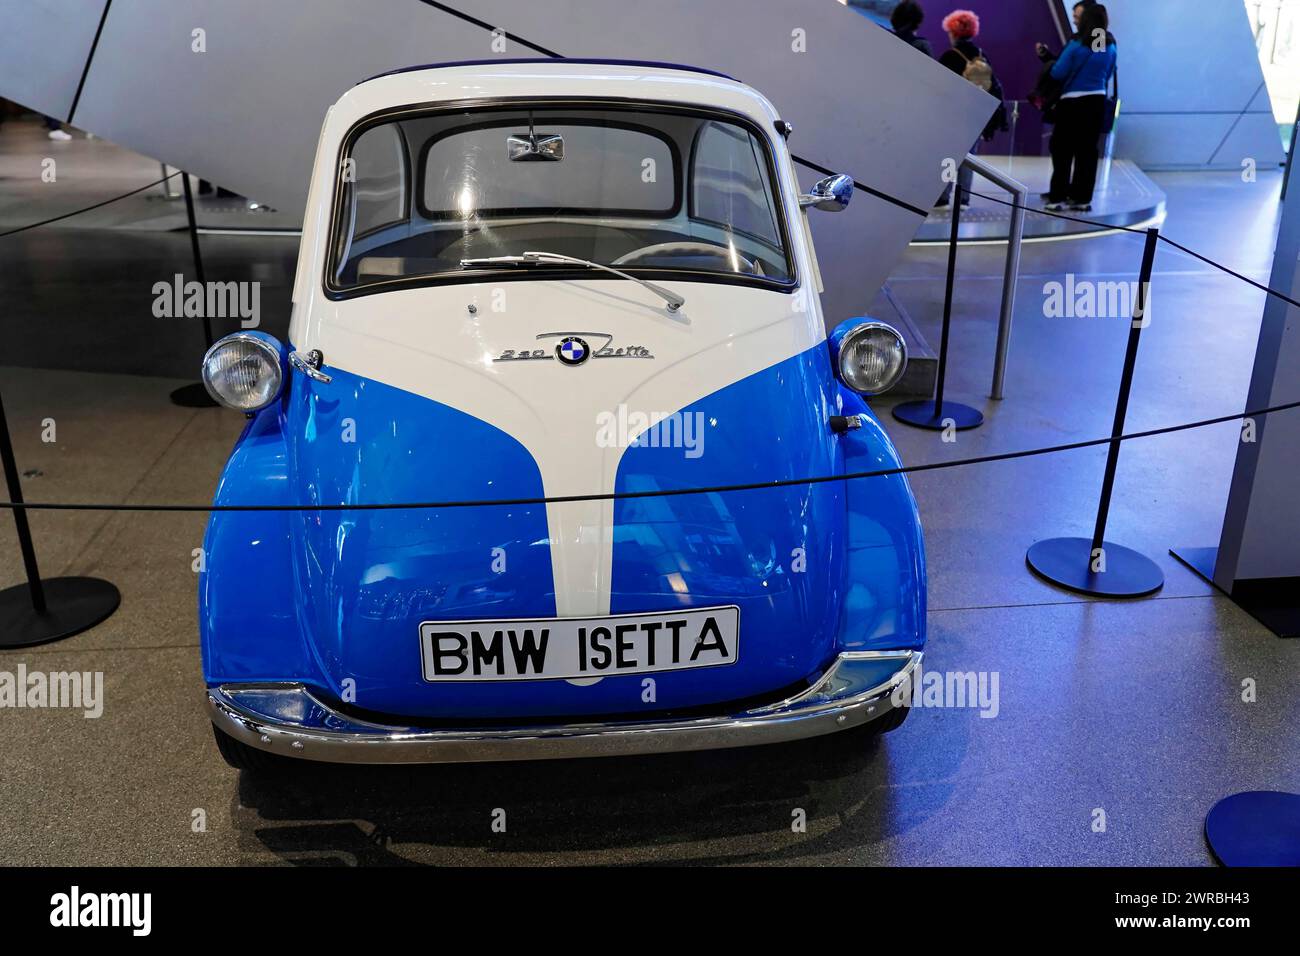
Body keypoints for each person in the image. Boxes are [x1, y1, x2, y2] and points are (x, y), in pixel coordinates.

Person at [1041, 3, 1116, 211]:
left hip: (1072, 102)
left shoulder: (1077, 44)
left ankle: (1057, 197)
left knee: (1062, 149)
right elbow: (1107, 71)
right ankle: (1081, 198)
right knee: (1087, 152)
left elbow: (1058, 72)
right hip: (1096, 101)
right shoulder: (1108, 44)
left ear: (1086, 20)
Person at [935, 10, 1007, 207]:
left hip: (953, 115)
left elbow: (940, 85)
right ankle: (963, 198)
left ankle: (942, 197)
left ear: (953, 32)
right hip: (975, 114)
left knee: (949, 157)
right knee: (969, 158)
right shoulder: (981, 54)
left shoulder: (950, 55)